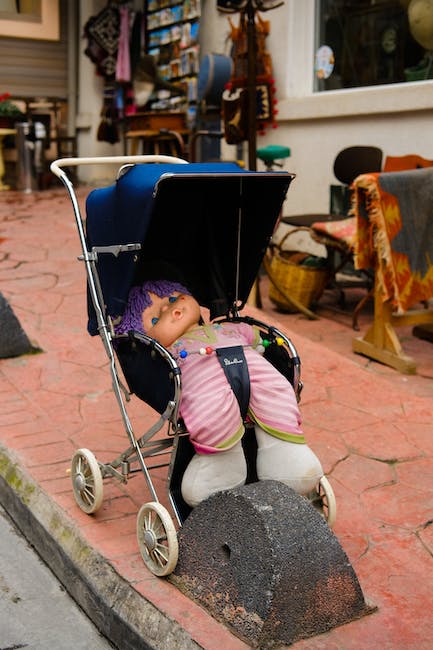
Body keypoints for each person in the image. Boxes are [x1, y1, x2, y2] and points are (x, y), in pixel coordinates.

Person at [117, 281, 323, 507]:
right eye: (156, 319)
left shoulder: (226, 328)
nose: (172, 311)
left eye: (174, 300)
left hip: (257, 376)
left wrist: (264, 343)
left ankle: (284, 450)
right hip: (208, 388)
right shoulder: (169, 355)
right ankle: (222, 463)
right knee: (210, 411)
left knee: (276, 390)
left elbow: (256, 337)